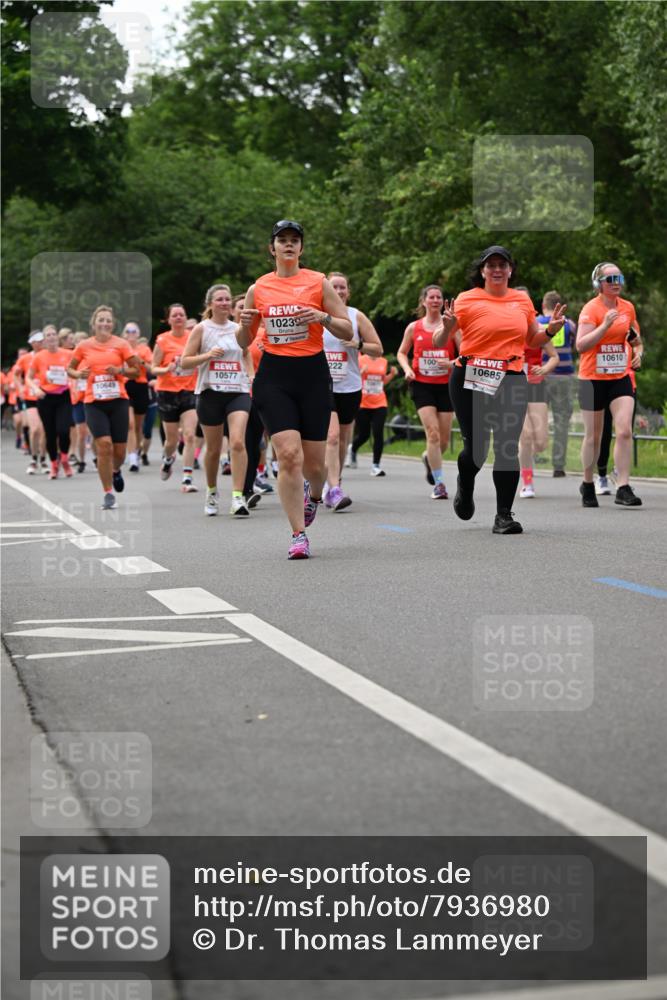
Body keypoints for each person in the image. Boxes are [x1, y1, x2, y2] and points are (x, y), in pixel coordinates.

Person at [237, 219, 352, 559]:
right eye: (282, 240)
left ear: (301, 248)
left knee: (315, 466)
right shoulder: (259, 288)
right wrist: (243, 326)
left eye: (294, 240)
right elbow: (244, 341)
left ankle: (314, 496)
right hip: (274, 376)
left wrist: (322, 317)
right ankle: (298, 535)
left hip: (312, 375)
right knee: (288, 455)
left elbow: (346, 329)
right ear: (272, 248)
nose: (288, 244)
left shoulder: (318, 282)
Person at [434, 245, 566, 534]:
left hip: (511, 377)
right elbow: (438, 341)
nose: (497, 269)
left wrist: (551, 330)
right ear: (482, 271)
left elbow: (532, 340)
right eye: (491, 265)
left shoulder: (521, 300)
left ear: (510, 270)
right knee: (477, 450)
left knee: (507, 446)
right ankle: (465, 484)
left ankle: (503, 515)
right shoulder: (467, 299)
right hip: (471, 376)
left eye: (502, 265)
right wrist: (447, 327)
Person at [181, 284, 253, 516]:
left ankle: (238, 496)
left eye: (227, 299)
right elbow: (185, 361)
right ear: (210, 304)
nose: (224, 303)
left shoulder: (238, 328)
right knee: (213, 449)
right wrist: (207, 355)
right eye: (219, 299)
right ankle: (211, 491)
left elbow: (246, 353)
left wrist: (251, 375)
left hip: (238, 391)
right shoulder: (202, 329)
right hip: (210, 393)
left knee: (238, 442)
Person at [576, 262, 643, 507]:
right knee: (593, 437)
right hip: (592, 379)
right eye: (610, 279)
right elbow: (581, 345)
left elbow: (636, 340)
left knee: (624, 430)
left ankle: (623, 486)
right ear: (598, 283)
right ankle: (587, 483)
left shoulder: (627, 308)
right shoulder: (590, 309)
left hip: (619, 377)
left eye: (619, 278)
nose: (616, 283)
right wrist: (604, 325)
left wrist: (638, 354)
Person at [67, 305, 140, 509]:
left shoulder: (121, 344)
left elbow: (136, 370)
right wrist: (78, 374)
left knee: (120, 452)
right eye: (101, 320)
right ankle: (108, 492)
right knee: (104, 445)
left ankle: (115, 471)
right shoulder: (84, 346)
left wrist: (120, 370)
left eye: (108, 320)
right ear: (94, 323)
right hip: (94, 403)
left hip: (118, 401)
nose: (105, 323)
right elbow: (70, 369)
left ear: (113, 324)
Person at [323, 271, 383, 510]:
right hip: (322, 385)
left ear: (348, 291)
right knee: (331, 436)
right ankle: (332, 488)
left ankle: (333, 483)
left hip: (349, 386)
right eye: (334, 287)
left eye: (342, 287)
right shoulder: (318, 314)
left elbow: (378, 349)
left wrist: (358, 344)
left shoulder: (356, 316)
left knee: (342, 439)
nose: (338, 291)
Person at [397, 285, 458, 499]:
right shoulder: (413, 327)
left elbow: (466, 353)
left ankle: (428, 457)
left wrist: (451, 363)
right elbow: (402, 353)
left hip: (446, 386)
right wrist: (407, 369)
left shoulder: (451, 326)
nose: (435, 300)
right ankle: (439, 484)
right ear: (423, 301)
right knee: (432, 433)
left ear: (442, 301)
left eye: (438, 297)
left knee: (444, 441)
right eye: (431, 297)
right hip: (422, 385)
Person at [151, 303, 199, 492]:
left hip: (189, 391)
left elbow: (201, 359)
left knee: (189, 435)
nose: (179, 317)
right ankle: (168, 459)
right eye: (175, 315)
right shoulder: (162, 340)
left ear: (186, 318)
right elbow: (153, 367)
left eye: (182, 314)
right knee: (171, 441)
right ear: (168, 320)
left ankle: (187, 478)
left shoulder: (193, 337)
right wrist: (166, 369)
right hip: (167, 392)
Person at [538, 290, 578, 477]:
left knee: (535, 418)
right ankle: (558, 465)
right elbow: (575, 346)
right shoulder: (569, 324)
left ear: (543, 305)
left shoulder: (536, 323)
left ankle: (531, 457)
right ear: (558, 305)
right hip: (564, 377)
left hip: (541, 375)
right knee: (562, 422)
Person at [26, 325, 74, 478]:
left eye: (53, 334)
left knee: (64, 430)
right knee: (50, 433)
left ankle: (64, 459)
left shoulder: (68, 354)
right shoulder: (39, 357)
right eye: (48, 335)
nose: (51, 337)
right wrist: (35, 388)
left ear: (57, 337)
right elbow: (28, 377)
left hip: (64, 396)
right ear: (44, 340)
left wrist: (75, 379)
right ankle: (54, 464)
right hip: (45, 398)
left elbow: (78, 370)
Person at [517, 324, 560, 498]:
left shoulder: (540, 330)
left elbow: (554, 357)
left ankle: (523, 455)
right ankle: (527, 483)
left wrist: (544, 369)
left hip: (536, 386)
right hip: (513, 387)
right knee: (526, 437)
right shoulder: (507, 327)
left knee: (541, 443)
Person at [349, 354, 398, 475]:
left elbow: (382, 381)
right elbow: (352, 379)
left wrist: (391, 375)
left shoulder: (383, 361)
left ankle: (376, 465)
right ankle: (353, 449)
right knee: (364, 435)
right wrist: (361, 372)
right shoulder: (360, 360)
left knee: (378, 433)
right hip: (363, 404)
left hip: (380, 403)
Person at [121, 322, 153, 473]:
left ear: (138, 334)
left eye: (134, 331)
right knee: (130, 424)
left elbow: (151, 368)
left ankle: (137, 451)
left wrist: (141, 361)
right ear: (124, 334)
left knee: (139, 426)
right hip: (125, 386)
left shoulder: (144, 349)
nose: (131, 333)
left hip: (140, 386)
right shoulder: (120, 348)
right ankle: (132, 457)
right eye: (128, 331)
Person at [16, 331, 47, 474]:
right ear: (32, 343)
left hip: (45, 396)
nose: (40, 343)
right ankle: (33, 459)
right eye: (38, 341)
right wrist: (21, 387)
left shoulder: (47, 355)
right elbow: (16, 375)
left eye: (42, 341)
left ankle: (43, 459)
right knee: (34, 429)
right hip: (30, 398)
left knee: (44, 430)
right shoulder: (25, 358)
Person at [68, 331, 91, 472]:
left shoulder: (91, 357)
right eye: (79, 341)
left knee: (93, 431)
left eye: (84, 340)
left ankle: (97, 458)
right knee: (81, 432)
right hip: (77, 400)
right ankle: (82, 461)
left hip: (91, 398)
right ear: (75, 344)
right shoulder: (71, 358)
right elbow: (68, 375)